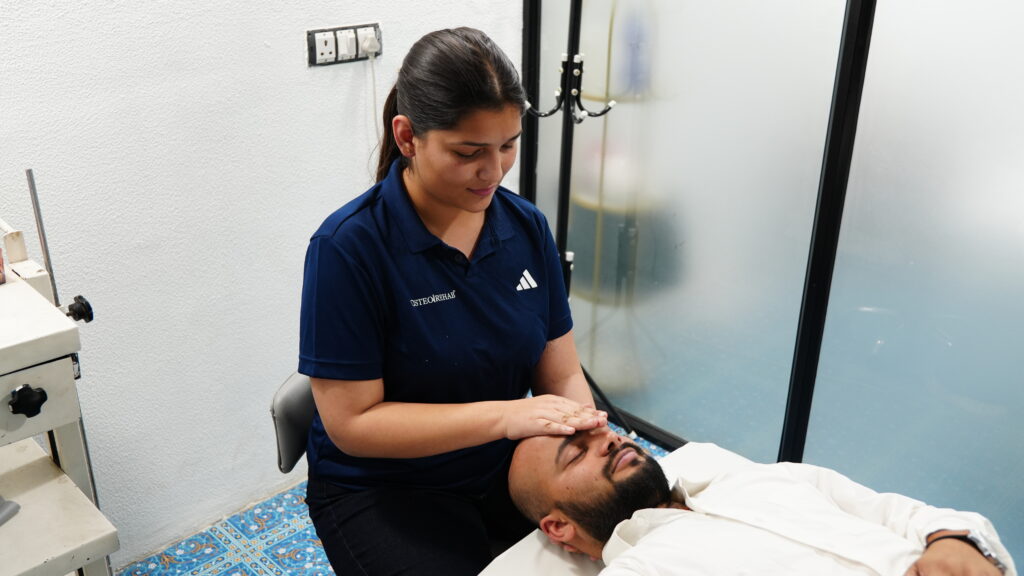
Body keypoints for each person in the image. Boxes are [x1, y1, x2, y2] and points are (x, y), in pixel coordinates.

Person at [298, 27, 607, 576]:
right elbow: (353, 424)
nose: (494, 171)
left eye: (507, 145)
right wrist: (506, 416)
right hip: (385, 485)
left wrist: (583, 437)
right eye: (468, 152)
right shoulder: (348, 248)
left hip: (503, 466)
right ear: (408, 137)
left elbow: (560, 373)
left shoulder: (525, 227)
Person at [508, 426, 1017, 576]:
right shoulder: (644, 568)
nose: (610, 440)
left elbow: (900, 512)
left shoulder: (756, 479)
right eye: (577, 453)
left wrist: (955, 541)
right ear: (558, 528)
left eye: (601, 432)